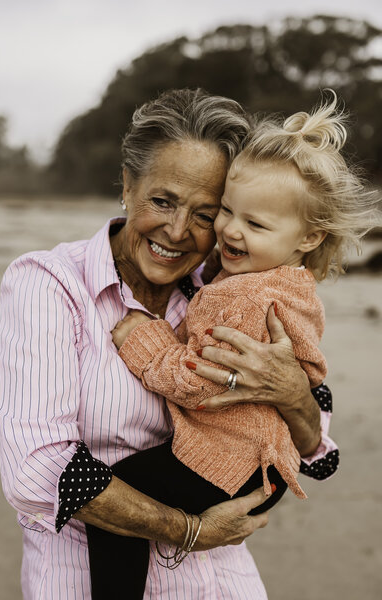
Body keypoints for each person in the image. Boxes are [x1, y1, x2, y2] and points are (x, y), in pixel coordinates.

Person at [0, 89, 339, 600]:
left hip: (223, 584)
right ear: (127, 184)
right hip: (86, 582)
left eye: (205, 213)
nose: (178, 232)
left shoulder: (223, 287)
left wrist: (292, 393)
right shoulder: (50, 286)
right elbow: (37, 470)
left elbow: (318, 456)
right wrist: (189, 531)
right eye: (162, 200)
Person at [85, 91, 379, 597]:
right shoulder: (290, 283)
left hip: (226, 465)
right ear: (128, 186)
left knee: (116, 500)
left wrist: (145, 341)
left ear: (309, 237)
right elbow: (313, 382)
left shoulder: (240, 298)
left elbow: (198, 383)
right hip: (263, 468)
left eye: (255, 224)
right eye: (226, 212)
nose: (228, 231)